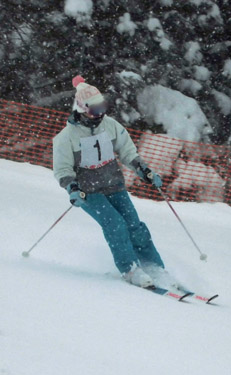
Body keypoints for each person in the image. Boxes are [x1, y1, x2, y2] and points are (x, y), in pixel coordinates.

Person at [53, 75, 167, 288]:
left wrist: (144, 170)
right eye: (95, 109)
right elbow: (62, 168)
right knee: (115, 225)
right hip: (88, 192)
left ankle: (153, 266)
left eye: (102, 107)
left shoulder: (111, 126)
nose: (100, 113)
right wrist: (72, 188)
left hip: (114, 185)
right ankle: (130, 269)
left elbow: (127, 151)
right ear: (82, 109)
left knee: (135, 225)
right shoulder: (66, 137)